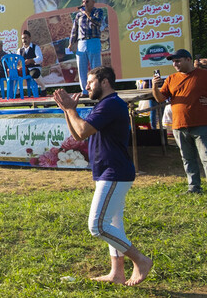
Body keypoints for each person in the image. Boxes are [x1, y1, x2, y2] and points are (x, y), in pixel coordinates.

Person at [53, 66, 152, 286]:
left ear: (105, 81)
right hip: (107, 171)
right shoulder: (105, 105)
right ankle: (117, 273)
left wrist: (71, 110)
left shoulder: (111, 104)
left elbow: (82, 131)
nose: (86, 86)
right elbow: (78, 135)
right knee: (113, 225)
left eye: (90, 82)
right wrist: (67, 110)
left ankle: (141, 260)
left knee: (97, 225)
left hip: (114, 171)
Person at [152, 49, 207, 194]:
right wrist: (154, 86)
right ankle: (194, 188)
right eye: (173, 62)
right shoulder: (171, 79)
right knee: (188, 159)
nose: (175, 64)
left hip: (201, 124)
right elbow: (160, 99)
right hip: (179, 126)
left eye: (178, 61)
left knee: (206, 157)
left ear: (188, 59)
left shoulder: (203, 75)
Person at [68, 0, 103, 96]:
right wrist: (71, 43)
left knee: (95, 69)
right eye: (83, 2)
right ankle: (85, 91)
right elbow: (74, 30)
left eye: (87, 1)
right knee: (81, 68)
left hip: (94, 41)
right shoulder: (79, 15)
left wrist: (87, 13)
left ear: (93, 2)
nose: (84, 4)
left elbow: (97, 23)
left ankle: (96, 91)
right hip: (81, 43)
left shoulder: (98, 12)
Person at [18, 30, 47, 97]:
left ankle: (43, 88)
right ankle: (17, 93)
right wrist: (17, 62)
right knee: (12, 74)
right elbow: (18, 60)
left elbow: (40, 59)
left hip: (34, 67)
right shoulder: (20, 50)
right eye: (23, 38)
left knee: (34, 73)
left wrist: (31, 60)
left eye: (26, 38)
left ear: (30, 38)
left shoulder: (35, 47)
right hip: (24, 69)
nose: (24, 40)